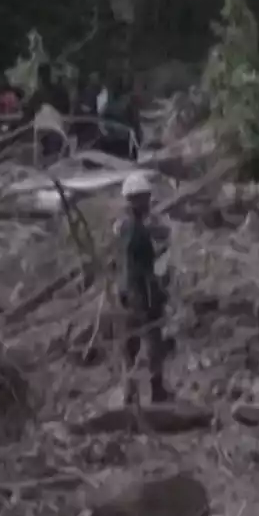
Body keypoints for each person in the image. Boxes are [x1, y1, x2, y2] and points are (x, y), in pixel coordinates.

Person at [116, 170, 170, 405]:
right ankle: (153, 392)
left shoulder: (128, 226)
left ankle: (132, 393)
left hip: (130, 292)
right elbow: (135, 265)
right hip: (140, 294)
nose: (149, 202)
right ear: (135, 199)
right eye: (145, 197)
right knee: (150, 341)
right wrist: (150, 293)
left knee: (131, 345)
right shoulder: (133, 229)